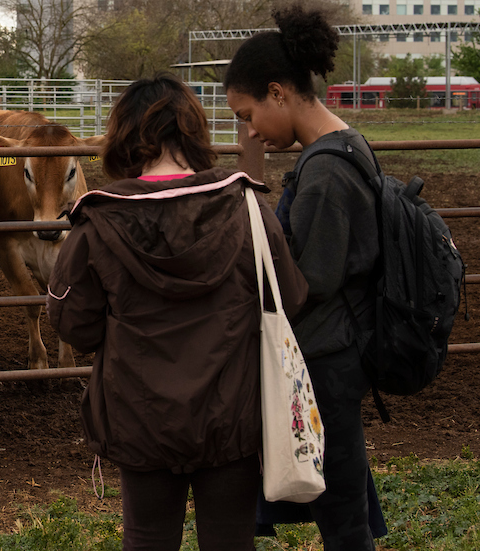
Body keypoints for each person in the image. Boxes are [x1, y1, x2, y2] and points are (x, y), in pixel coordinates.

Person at [47, 74, 308, 551]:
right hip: (232, 418)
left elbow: (76, 328)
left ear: (121, 136)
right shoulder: (249, 209)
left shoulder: (96, 224)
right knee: (231, 539)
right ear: (195, 132)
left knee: (147, 538)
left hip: (141, 420)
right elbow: (289, 300)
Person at [224, 5, 382, 550]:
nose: (248, 129)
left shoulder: (324, 174)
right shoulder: (346, 145)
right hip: (340, 353)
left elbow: (304, 282)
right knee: (347, 509)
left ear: (278, 92)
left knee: (344, 524)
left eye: (247, 114)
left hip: (326, 363)